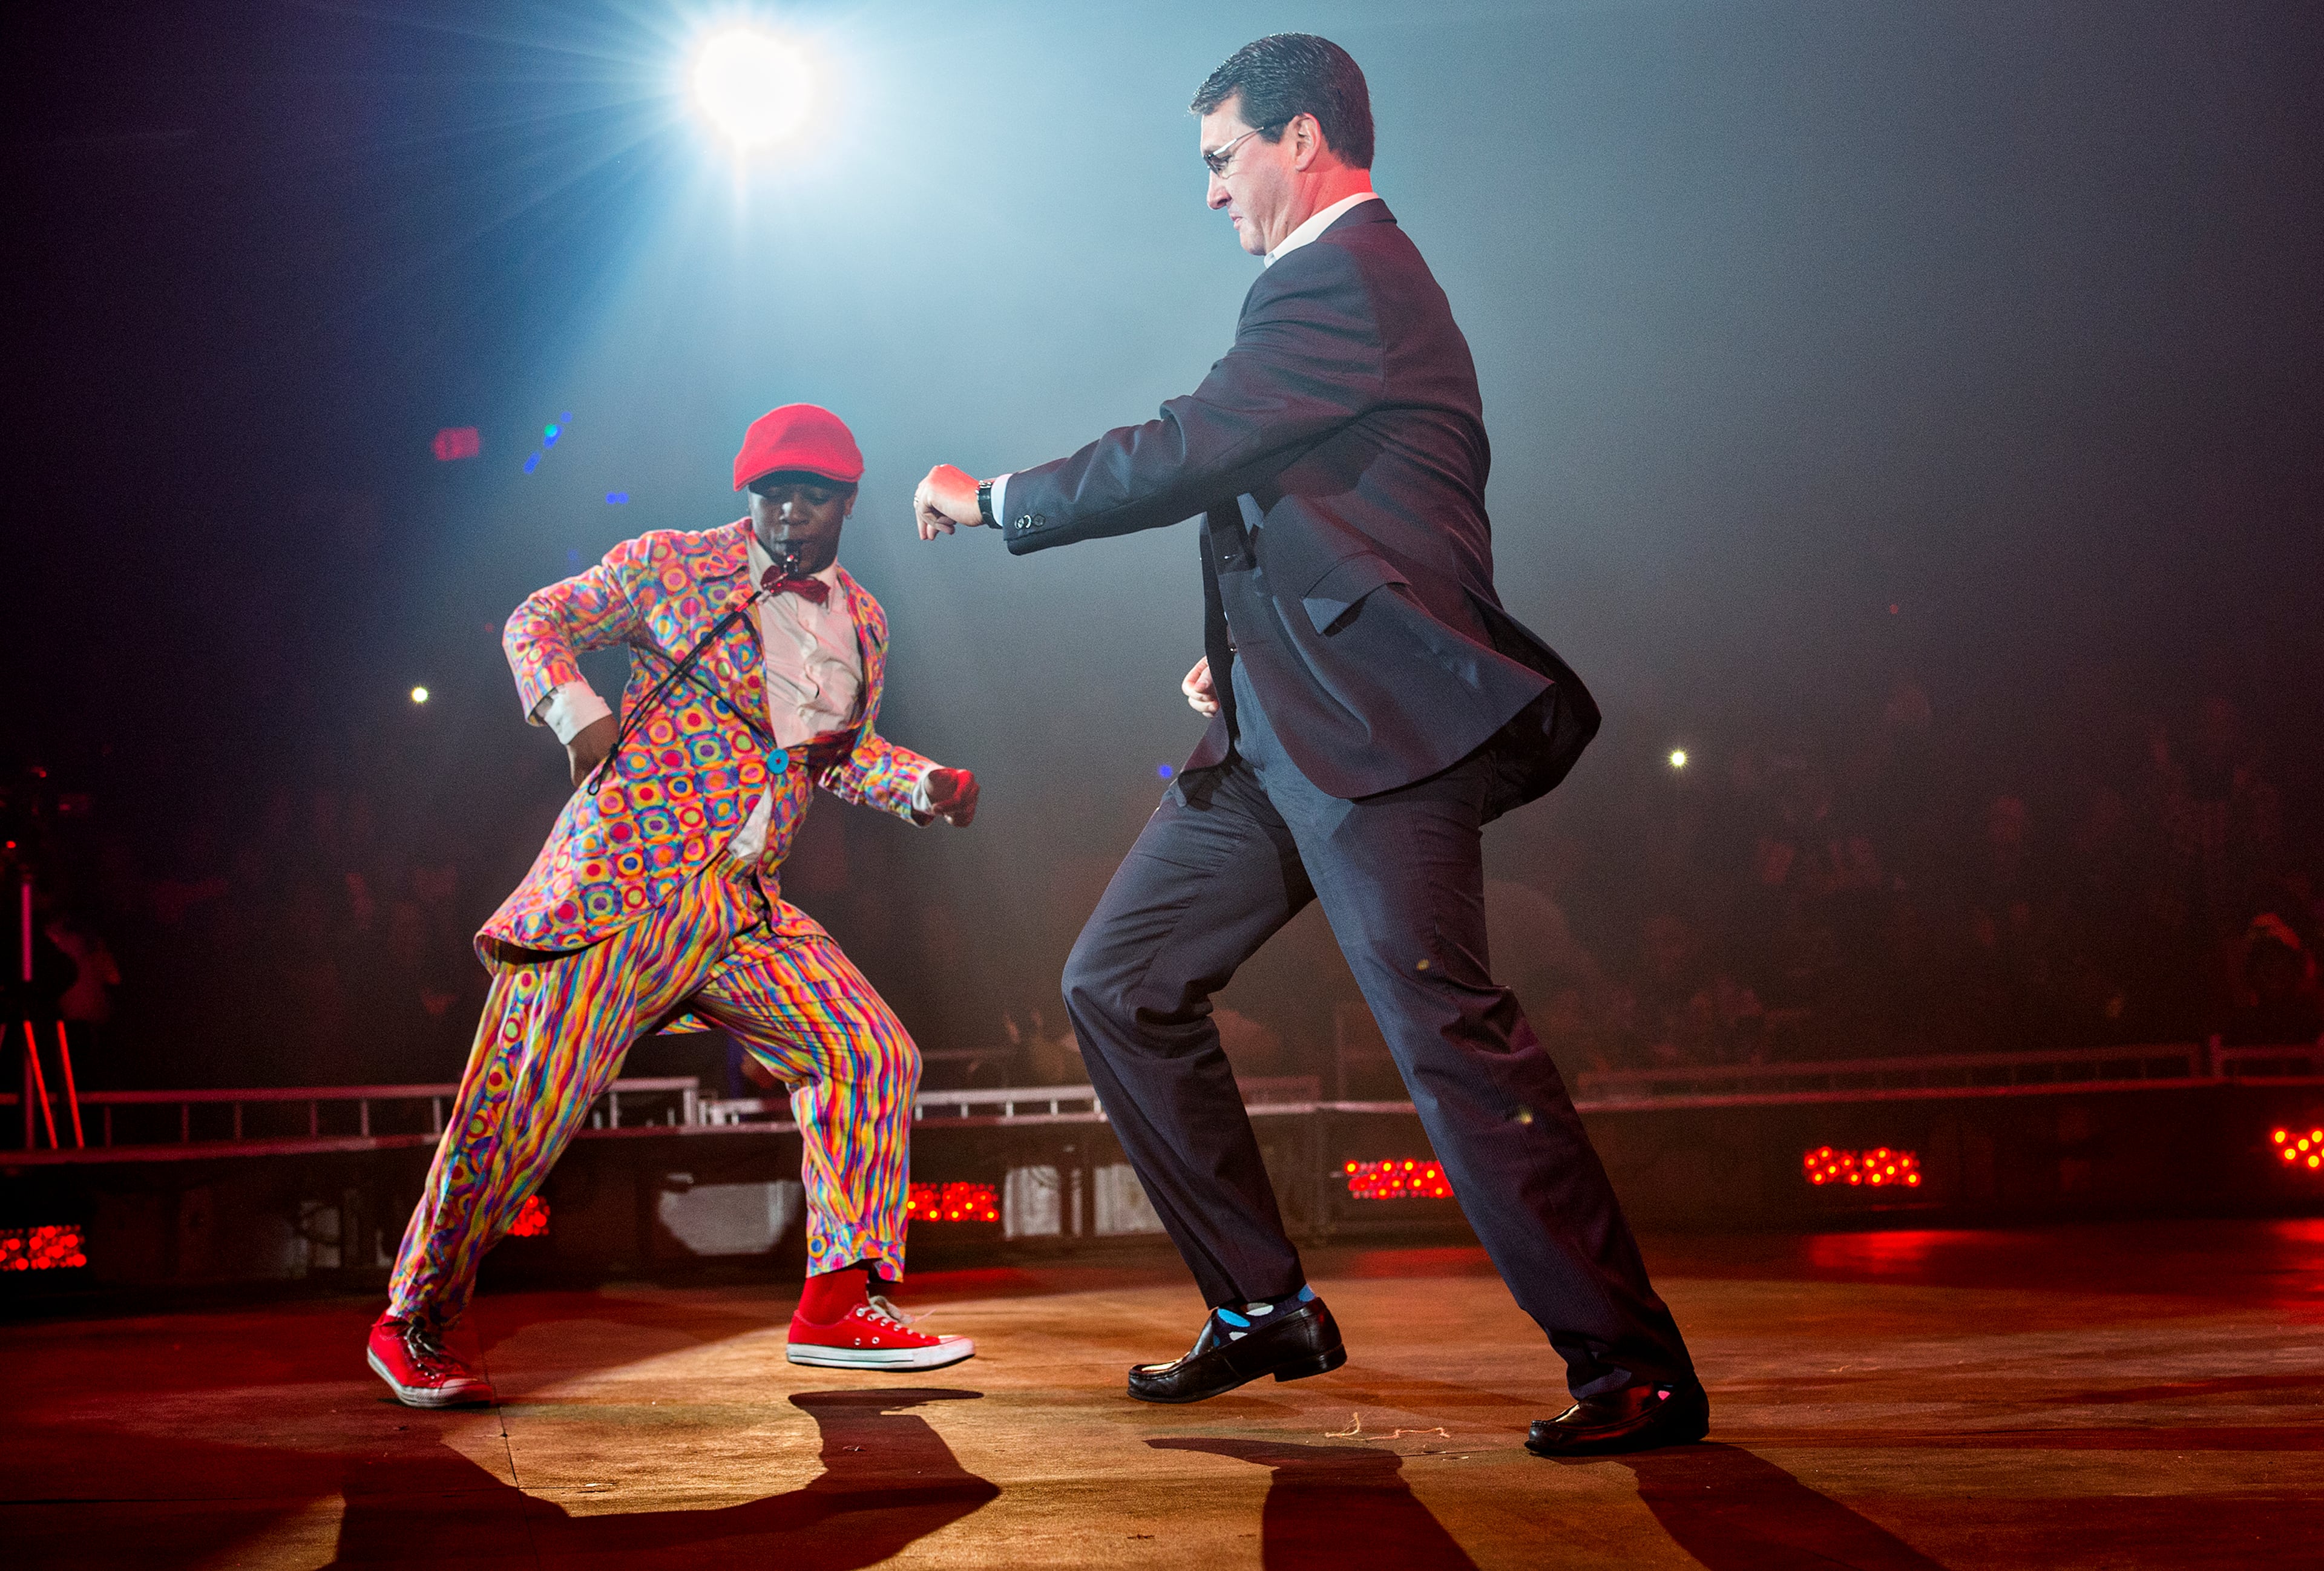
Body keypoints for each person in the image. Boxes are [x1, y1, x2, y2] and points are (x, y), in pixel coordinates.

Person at [914, 35, 1704, 1455]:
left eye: (1220, 160)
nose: (1210, 195)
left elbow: (1193, 446)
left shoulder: (1350, 274)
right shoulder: (1336, 295)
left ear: (1303, 140)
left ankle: (1631, 1363)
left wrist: (998, 500)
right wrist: (1240, 652)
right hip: (1279, 727)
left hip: (1378, 737)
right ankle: (1260, 1303)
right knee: (1120, 979)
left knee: (1448, 1036)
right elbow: (1345, 508)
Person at [367, 404, 981, 1409]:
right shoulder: (671, 564)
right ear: (748, 494)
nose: (788, 511)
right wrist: (577, 712)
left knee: (869, 1053)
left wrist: (922, 787)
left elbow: (832, 753)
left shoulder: (862, 620)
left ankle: (837, 1304)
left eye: (810, 494)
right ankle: (413, 1319)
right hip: (621, 888)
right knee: (520, 1113)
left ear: (847, 501)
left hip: (741, 907)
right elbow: (539, 619)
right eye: (771, 491)